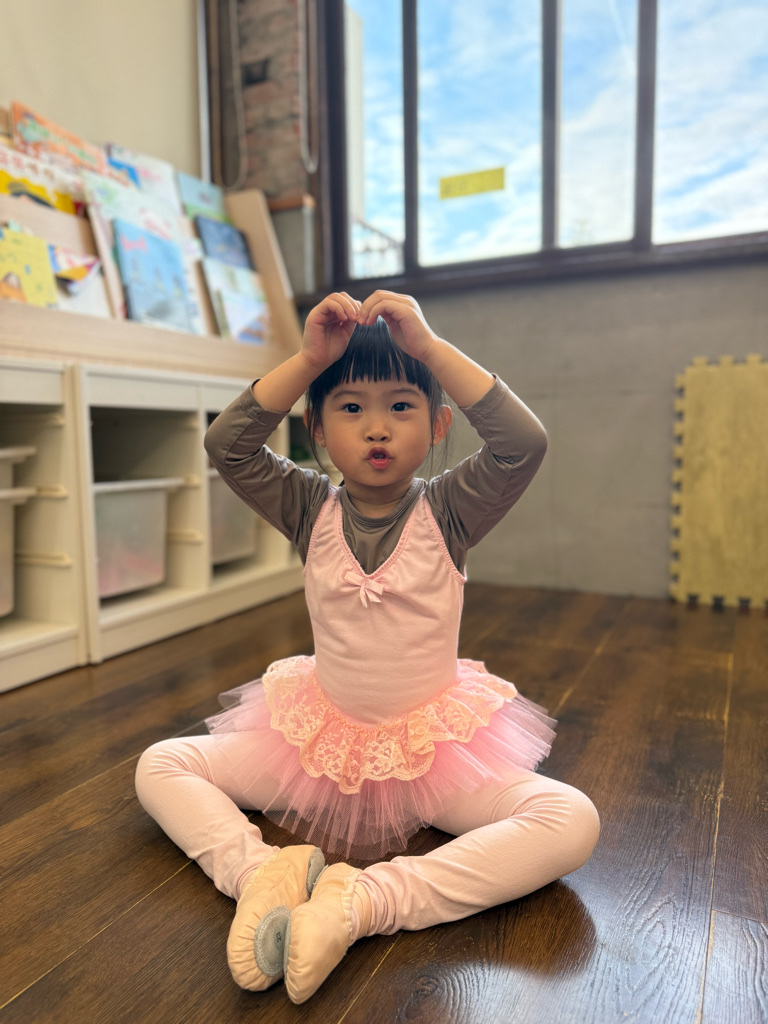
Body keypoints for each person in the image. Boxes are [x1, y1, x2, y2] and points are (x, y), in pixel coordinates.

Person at [135, 290, 600, 1005]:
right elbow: (227, 445)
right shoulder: (306, 507)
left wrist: (429, 349)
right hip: (315, 751)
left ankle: (367, 901)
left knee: (570, 821)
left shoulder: (451, 509)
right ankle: (261, 875)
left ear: (438, 424)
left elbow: (523, 444)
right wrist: (309, 360)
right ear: (318, 429)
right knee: (162, 764)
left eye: (401, 406)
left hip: (434, 758)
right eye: (351, 408)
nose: (377, 427)